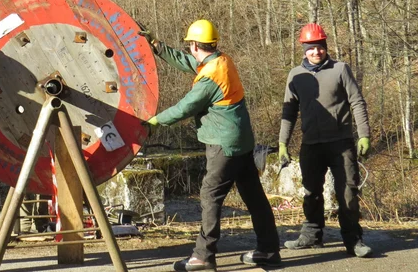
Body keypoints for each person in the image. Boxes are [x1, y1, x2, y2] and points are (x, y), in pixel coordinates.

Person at [144, 20, 280, 271]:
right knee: (254, 197)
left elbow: (185, 107)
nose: (190, 50)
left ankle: (203, 255)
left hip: (223, 144)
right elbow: (188, 62)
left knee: (209, 195)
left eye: (190, 45)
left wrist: (155, 121)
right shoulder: (221, 61)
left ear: (195, 45)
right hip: (242, 142)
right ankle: (269, 250)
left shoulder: (209, 79)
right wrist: (158, 46)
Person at [279, 23, 373, 258]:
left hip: (341, 143)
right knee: (311, 192)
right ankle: (312, 235)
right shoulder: (295, 75)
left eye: (320, 47)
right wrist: (283, 143)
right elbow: (289, 112)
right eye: (311, 48)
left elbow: (357, 102)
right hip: (311, 145)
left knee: (348, 193)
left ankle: (353, 240)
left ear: (325, 47)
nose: (316, 52)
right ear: (304, 49)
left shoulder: (341, 69)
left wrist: (364, 135)